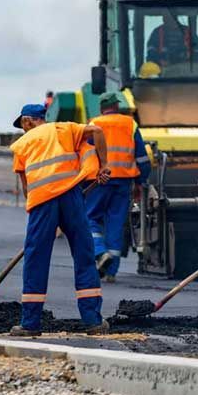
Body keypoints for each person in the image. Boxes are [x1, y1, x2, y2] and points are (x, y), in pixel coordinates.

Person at [9, 103, 112, 336]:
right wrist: (104, 165)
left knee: (36, 258)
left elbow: (26, 189)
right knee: (84, 254)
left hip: (42, 202)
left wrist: (46, 221)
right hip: (71, 196)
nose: (23, 130)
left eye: (23, 125)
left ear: (27, 121)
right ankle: (93, 321)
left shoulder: (22, 145)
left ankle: (30, 323)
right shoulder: (64, 129)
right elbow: (96, 131)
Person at [84, 92, 151, 282]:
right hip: (123, 182)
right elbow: (142, 158)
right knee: (116, 223)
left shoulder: (93, 124)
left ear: (101, 107)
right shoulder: (130, 124)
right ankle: (111, 272)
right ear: (117, 106)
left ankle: (99, 252)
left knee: (89, 217)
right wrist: (141, 181)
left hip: (98, 180)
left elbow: (86, 153)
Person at [146, 11, 198, 77]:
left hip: (189, 74)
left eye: (170, 16)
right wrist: (159, 62)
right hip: (164, 77)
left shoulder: (188, 32)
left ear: (176, 18)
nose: (166, 19)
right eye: (165, 16)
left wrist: (189, 58)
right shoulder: (157, 33)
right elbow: (151, 55)